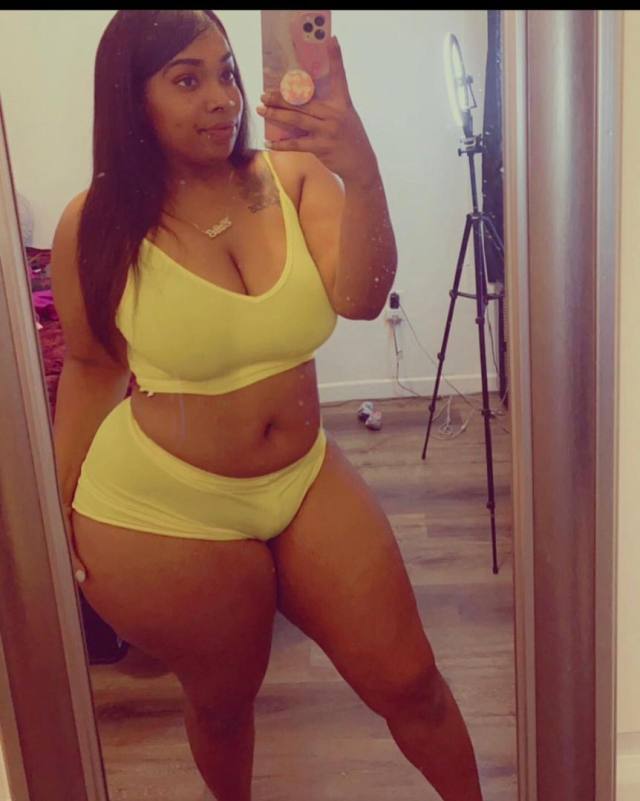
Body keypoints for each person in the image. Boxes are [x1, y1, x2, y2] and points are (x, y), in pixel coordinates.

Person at [51, 10, 484, 801]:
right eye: (187, 80)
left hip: (302, 475)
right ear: (129, 97)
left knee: (412, 680)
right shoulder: (95, 224)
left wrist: (363, 171)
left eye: (225, 72)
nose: (222, 97)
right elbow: (88, 366)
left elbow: (362, 298)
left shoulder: (291, 177)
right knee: (223, 705)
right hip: (166, 502)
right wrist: (57, 509)